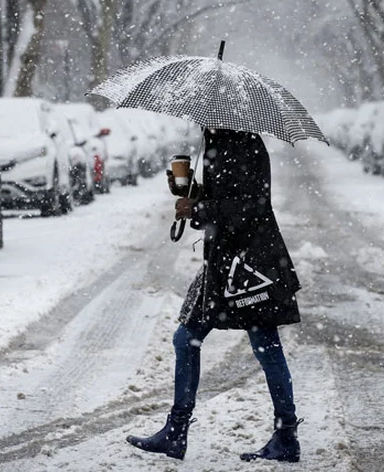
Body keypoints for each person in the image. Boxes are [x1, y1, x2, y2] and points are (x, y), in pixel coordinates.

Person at [126, 128, 303, 462]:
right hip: (225, 262)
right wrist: (191, 191)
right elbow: (228, 196)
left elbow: (249, 206)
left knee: (264, 346)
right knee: (189, 339)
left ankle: (285, 435)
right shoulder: (220, 140)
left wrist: (199, 210)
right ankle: (177, 433)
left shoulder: (242, 142)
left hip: (249, 266)